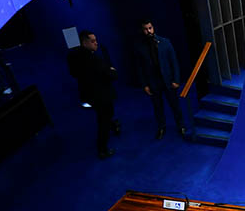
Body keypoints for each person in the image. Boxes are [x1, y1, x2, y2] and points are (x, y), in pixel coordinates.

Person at [67, 30, 119, 158]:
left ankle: (112, 125)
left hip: (89, 96)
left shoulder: (74, 57)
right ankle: (102, 150)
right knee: (104, 121)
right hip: (102, 96)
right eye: (93, 41)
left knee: (104, 117)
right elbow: (111, 75)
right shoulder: (93, 59)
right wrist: (112, 71)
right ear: (84, 43)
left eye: (96, 40)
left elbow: (74, 74)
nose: (96, 43)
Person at [131, 20, 186, 139]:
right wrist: (144, 84)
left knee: (175, 105)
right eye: (145, 29)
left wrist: (176, 79)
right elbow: (140, 68)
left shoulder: (165, 42)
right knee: (157, 107)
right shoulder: (139, 47)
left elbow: (174, 62)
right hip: (153, 82)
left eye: (150, 28)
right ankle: (161, 127)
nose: (148, 31)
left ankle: (181, 125)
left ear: (153, 28)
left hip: (168, 80)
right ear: (142, 30)